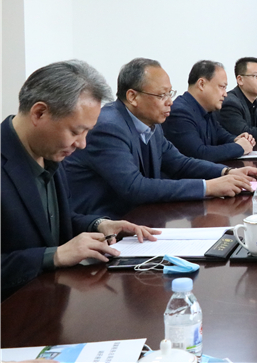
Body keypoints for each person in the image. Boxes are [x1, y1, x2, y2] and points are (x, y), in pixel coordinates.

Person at [2, 60, 158, 300]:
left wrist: (98, 224)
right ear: (39, 113)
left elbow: (50, 223)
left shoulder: (49, 153)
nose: (82, 144)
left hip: (50, 302)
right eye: (75, 131)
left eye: (87, 132)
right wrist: (53, 255)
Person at [64, 58, 257, 219]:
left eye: (170, 93)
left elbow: (179, 163)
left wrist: (226, 171)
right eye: (162, 95)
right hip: (101, 227)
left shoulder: (152, 123)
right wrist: (208, 187)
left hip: (139, 218)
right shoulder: (109, 127)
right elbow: (134, 187)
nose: (170, 102)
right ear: (133, 97)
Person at [163, 60, 255, 162]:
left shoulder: (207, 109)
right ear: (201, 84)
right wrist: (240, 147)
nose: (225, 94)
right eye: (222, 87)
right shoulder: (180, 113)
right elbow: (200, 154)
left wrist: (236, 139)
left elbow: (220, 135)